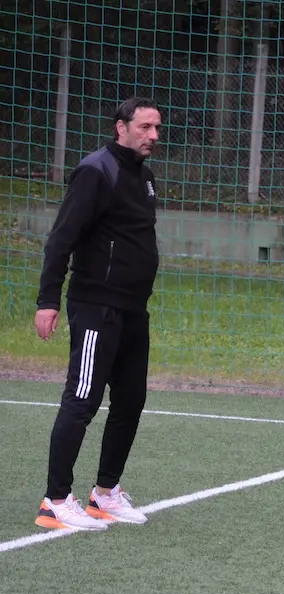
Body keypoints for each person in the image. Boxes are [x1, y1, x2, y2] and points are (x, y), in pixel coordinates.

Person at [34, 97, 162, 531]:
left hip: (133, 310)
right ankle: (55, 501)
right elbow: (61, 238)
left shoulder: (144, 177)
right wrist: (48, 300)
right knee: (82, 398)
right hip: (96, 307)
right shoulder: (95, 171)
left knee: (131, 400)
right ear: (120, 127)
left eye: (156, 128)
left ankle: (104, 494)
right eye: (144, 127)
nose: (153, 136)